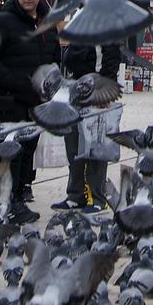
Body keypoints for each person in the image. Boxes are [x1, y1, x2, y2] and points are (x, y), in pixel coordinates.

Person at [0, 0, 59, 219]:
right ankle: (3, 204)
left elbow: (54, 56)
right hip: (7, 100)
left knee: (26, 153)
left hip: (35, 101)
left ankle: (15, 200)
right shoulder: (3, 21)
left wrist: (53, 84)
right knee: (10, 154)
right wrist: (14, 83)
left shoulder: (46, 24)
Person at [54, 31, 109, 213]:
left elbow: (112, 58)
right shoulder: (78, 19)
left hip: (96, 91)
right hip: (74, 89)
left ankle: (97, 197)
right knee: (74, 145)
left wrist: (105, 91)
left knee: (95, 147)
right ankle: (76, 194)